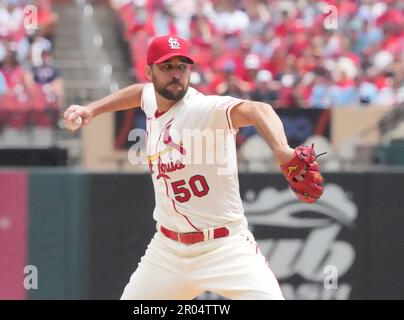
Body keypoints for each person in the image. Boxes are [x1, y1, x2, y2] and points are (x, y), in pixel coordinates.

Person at [63, 35, 323, 300]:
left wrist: (282, 150)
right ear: (149, 71)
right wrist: (92, 109)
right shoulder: (153, 98)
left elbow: (261, 111)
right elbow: (140, 93)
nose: (176, 74)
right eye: (167, 67)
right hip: (168, 252)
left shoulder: (202, 109)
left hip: (225, 246)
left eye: (182, 66)